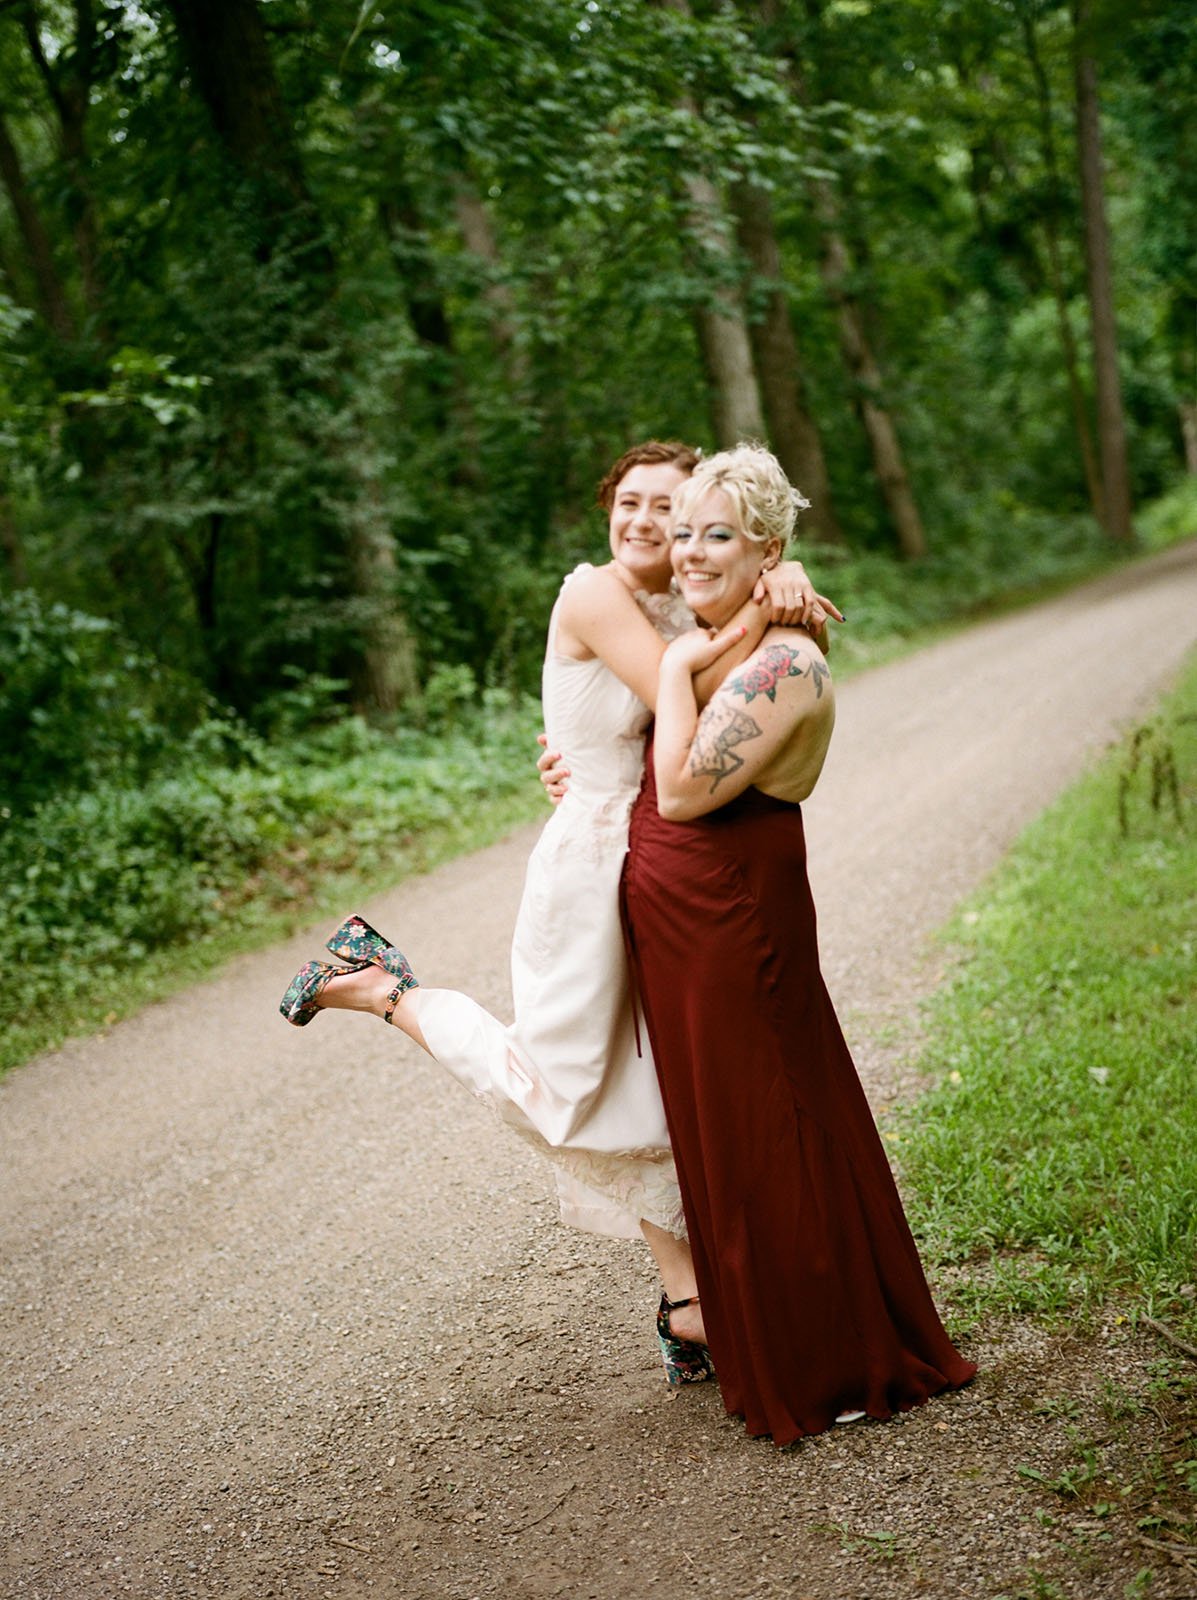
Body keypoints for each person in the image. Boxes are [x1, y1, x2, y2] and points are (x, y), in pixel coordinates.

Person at [278, 439, 837, 1383]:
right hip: (589, 871)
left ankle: (688, 1304)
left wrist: (782, 575)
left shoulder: (688, 593)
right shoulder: (596, 594)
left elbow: (720, 630)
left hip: (659, 863)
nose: (646, 523)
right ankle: (374, 985)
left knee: (657, 1091)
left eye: (670, 508)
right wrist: (772, 607)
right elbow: (690, 689)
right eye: (629, 503)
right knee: (569, 1094)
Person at [620, 443, 977, 1444]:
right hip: (681, 927)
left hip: (737, 917)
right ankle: (769, 1337)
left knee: (771, 1117)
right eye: (684, 532)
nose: (687, 550)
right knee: (724, 1133)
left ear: (768, 548)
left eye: (715, 534)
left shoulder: (785, 658)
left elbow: (687, 789)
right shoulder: (719, 626)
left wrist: (683, 665)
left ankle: (831, 1356)